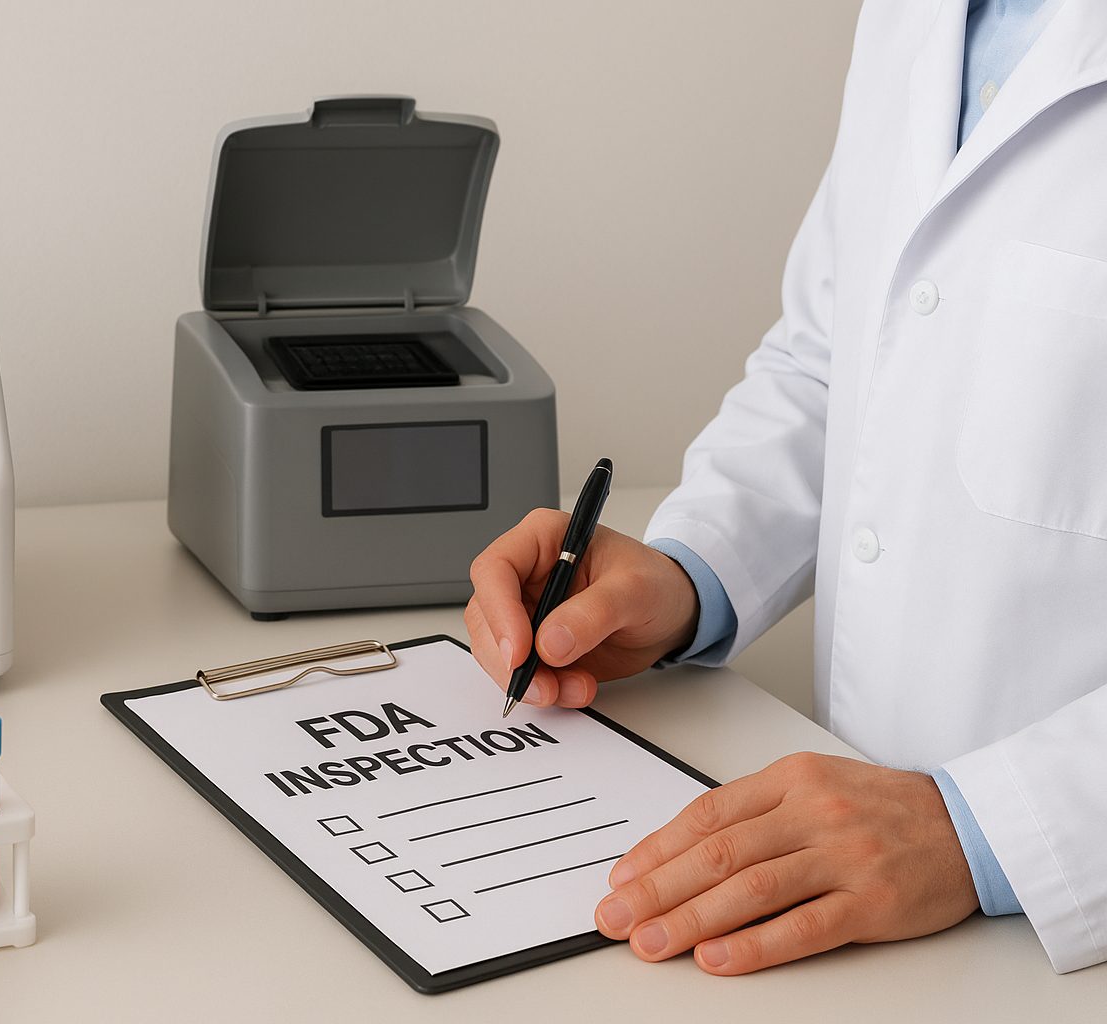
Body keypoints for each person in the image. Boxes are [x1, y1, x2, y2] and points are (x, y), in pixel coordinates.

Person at [465, 0, 1106, 976]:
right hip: (853, 907)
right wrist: (690, 576)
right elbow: (837, 360)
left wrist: (984, 828)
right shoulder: (917, 19)